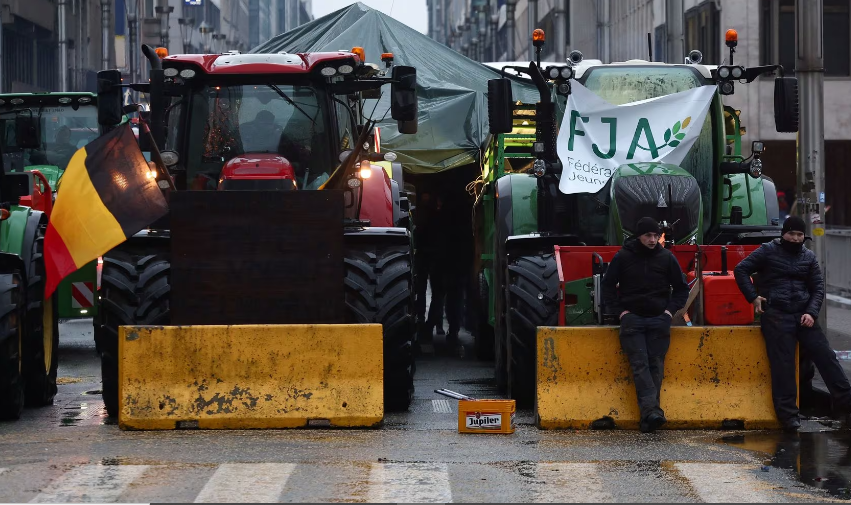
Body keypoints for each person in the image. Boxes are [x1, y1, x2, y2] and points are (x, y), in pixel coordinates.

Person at [734, 215, 851, 432]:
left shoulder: (809, 257)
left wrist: (811, 312)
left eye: (799, 234)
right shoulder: (767, 250)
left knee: (826, 356)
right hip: (777, 316)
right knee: (783, 365)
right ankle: (788, 415)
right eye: (791, 234)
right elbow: (741, 269)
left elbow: (818, 287)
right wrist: (753, 297)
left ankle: (846, 402)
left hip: (803, 315)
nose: (796, 238)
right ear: (783, 234)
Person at [601, 217, 689, 433]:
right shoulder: (623, 257)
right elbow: (608, 286)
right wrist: (621, 313)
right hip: (633, 320)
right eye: (648, 236)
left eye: (656, 236)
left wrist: (668, 312)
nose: (652, 240)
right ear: (638, 236)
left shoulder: (667, 258)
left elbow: (681, 288)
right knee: (640, 364)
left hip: (659, 319)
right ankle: (652, 412)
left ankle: (650, 416)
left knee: (656, 365)